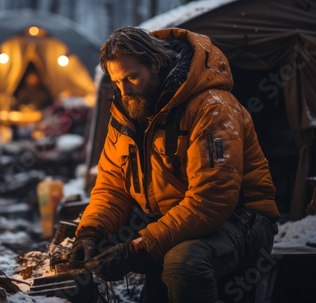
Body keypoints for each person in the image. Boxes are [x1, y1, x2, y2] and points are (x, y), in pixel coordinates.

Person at [68, 27, 280, 302]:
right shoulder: (128, 113)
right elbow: (111, 187)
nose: (125, 90)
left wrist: (139, 247)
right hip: (173, 219)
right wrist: (90, 233)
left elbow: (210, 202)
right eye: (117, 82)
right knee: (100, 246)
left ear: (155, 64)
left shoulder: (212, 107)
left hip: (241, 220)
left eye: (132, 77)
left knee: (184, 263)